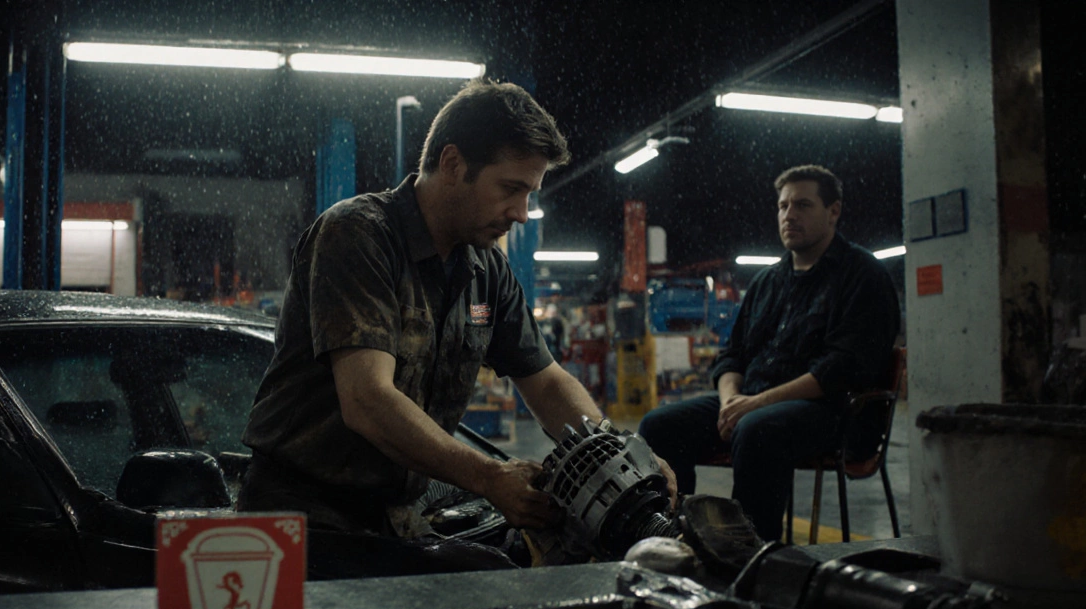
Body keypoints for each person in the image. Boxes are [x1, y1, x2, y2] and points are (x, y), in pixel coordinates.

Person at [239, 79, 675, 544]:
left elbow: (545, 382)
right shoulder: (358, 236)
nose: (522, 213)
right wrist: (489, 477)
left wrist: (613, 455)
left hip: (393, 517)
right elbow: (367, 400)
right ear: (452, 164)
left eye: (530, 193)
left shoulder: (487, 269)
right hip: (300, 520)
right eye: (510, 188)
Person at [638, 165, 900, 542]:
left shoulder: (863, 276)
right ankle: (678, 535)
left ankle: (748, 552)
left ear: (834, 211)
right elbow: (733, 355)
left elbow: (841, 370)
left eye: (803, 205)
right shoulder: (767, 282)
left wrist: (755, 404)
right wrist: (731, 401)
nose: (790, 215)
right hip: (754, 404)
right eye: (783, 206)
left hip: (837, 412)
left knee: (759, 429)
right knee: (660, 425)